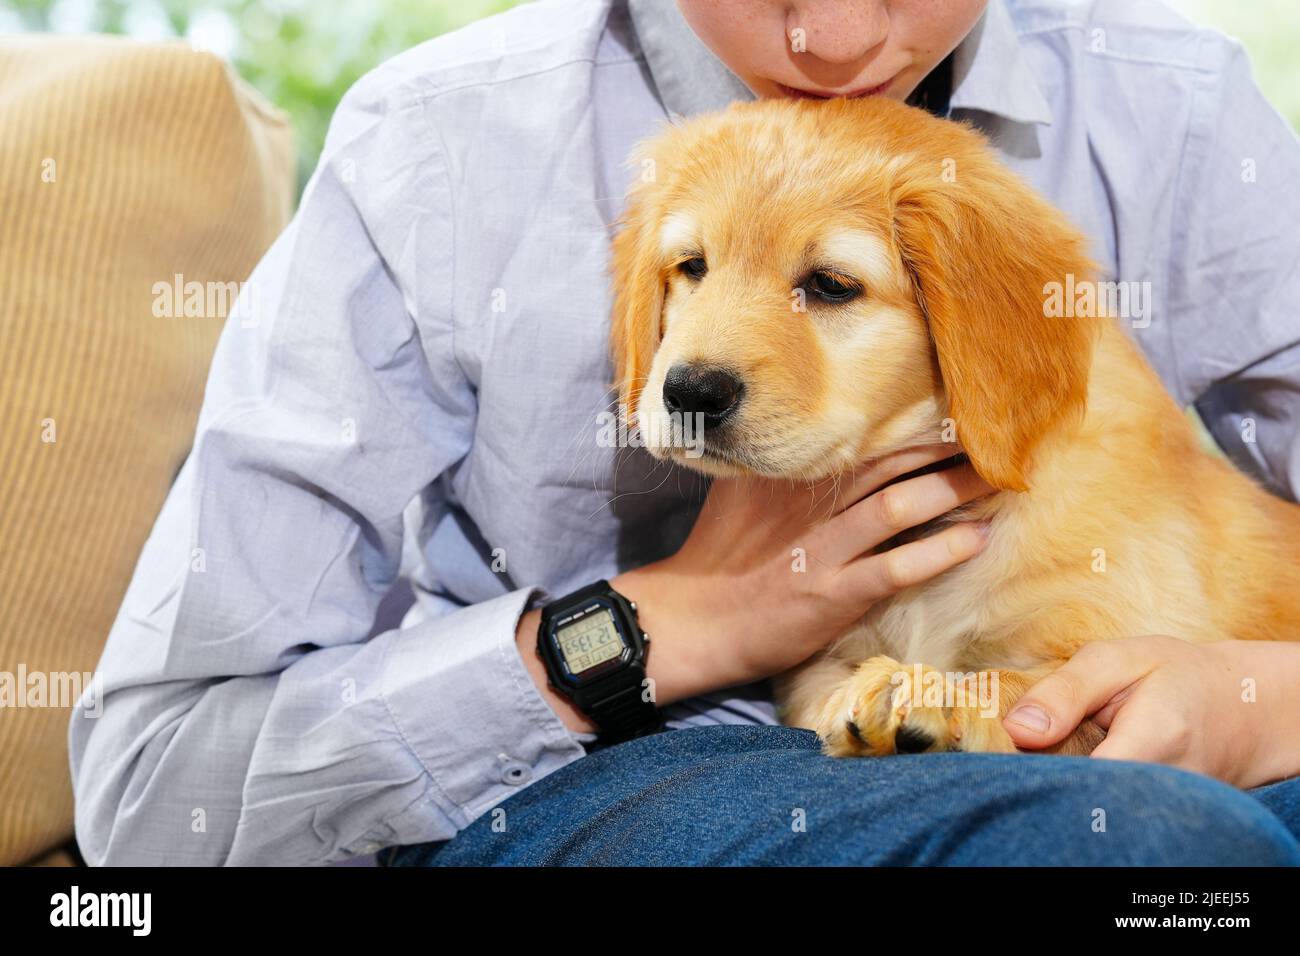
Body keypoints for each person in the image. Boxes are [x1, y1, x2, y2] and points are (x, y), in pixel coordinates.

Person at [70, 0, 1300, 866]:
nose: (838, 40)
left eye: (831, 284)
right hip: (618, 764)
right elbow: (152, 787)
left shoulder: (1170, 104)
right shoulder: (434, 148)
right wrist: (655, 627)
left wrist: (1262, 695)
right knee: (1159, 846)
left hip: (1107, 713)